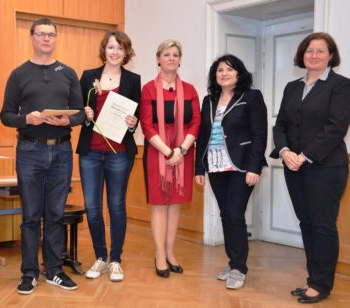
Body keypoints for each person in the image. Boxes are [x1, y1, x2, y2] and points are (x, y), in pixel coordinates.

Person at [0, 18, 85, 295]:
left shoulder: (69, 73)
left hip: (61, 150)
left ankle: (54, 271)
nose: (46, 38)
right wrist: (28, 119)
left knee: (55, 215)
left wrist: (67, 122)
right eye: (41, 34)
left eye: (51, 34)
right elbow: (7, 116)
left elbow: (81, 112)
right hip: (30, 151)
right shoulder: (19, 74)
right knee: (30, 216)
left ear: (55, 38)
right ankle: (29, 272)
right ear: (32, 37)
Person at [271, 32, 350, 304]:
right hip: (293, 166)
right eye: (309, 50)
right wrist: (285, 152)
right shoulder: (292, 87)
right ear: (302, 55)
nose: (313, 55)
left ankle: (322, 283)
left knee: (323, 225)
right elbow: (280, 124)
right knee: (307, 224)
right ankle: (313, 278)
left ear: (330, 56)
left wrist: (303, 155)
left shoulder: (341, 86)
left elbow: (335, 128)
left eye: (320, 51)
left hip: (327, 167)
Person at [195, 54, 268, 290]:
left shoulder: (252, 97)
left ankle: (239, 267)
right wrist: (200, 167)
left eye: (229, 69)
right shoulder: (208, 100)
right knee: (226, 214)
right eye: (219, 70)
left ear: (239, 73)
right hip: (216, 165)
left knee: (235, 214)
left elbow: (259, 135)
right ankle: (233, 261)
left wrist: (254, 167)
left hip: (241, 166)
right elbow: (202, 137)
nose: (223, 74)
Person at [76, 30, 140, 282]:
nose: (115, 52)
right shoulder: (88, 76)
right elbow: (77, 110)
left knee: (116, 206)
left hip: (119, 153)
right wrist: (85, 113)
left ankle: (116, 260)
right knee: (92, 208)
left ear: (126, 53)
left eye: (120, 48)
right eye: (111, 47)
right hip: (90, 151)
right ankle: (100, 257)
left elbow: (136, 118)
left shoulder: (134, 80)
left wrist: (133, 123)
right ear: (105, 50)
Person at [139, 39, 201, 278]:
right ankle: (159, 254)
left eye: (176, 54)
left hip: (183, 153)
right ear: (158, 59)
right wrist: (168, 151)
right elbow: (146, 125)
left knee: (175, 204)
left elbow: (196, 122)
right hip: (157, 153)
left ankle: (171, 251)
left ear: (180, 60)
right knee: (159, 204)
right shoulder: (148, 90)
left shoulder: (191, 90)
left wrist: (182, 150)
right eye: (167, 54)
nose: (171, 58)